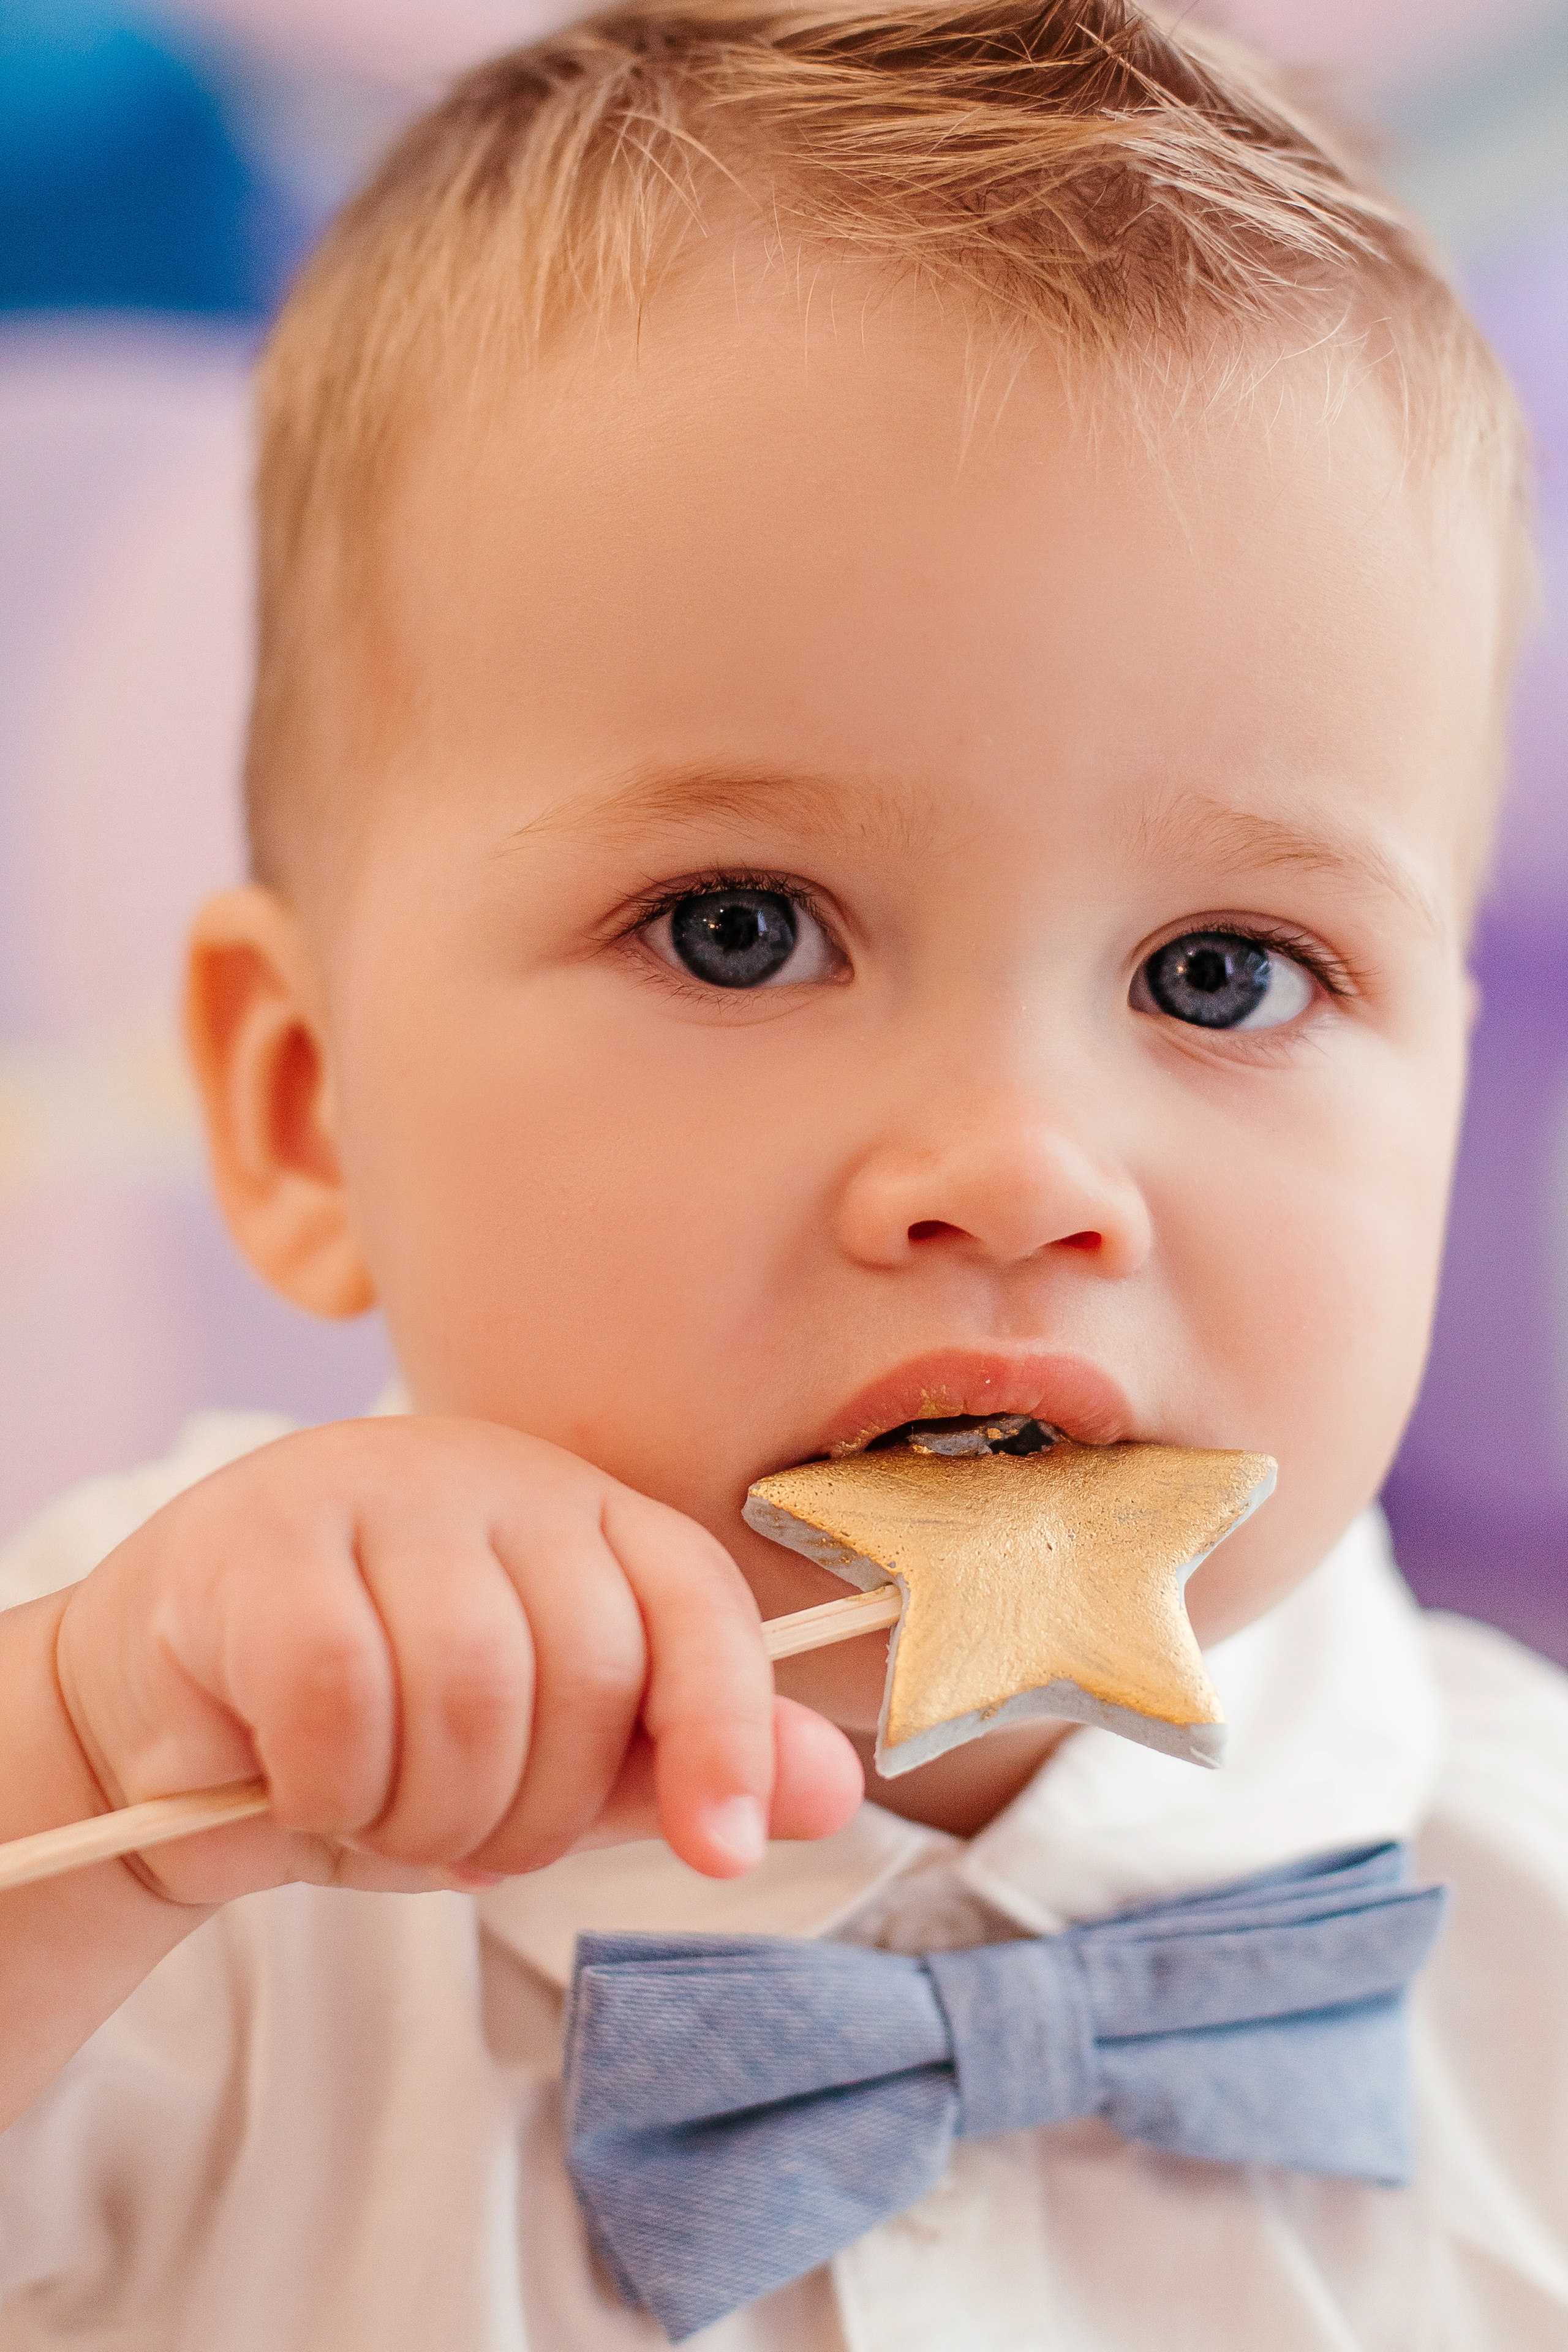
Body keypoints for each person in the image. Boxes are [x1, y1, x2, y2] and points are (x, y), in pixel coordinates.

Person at [1, 1, 1564, 2342]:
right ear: (305, 1103)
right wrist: (95, 1777)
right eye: (743, 931)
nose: (1022, 1170)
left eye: (1227, 972)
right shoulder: (175, 1755)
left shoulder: (1526, 1887)